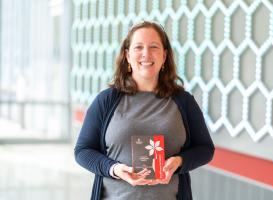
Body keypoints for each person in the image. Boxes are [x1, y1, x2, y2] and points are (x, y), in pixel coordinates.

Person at [74, 21, 214, 200]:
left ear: (164, 56)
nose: (146, 54)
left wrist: (179, 162)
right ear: (127, 55)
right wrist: (114, 169)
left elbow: (205, 149)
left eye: (154, 47)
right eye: (138, 47)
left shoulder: (183, 101)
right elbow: (83, 151)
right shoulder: (106, 101)